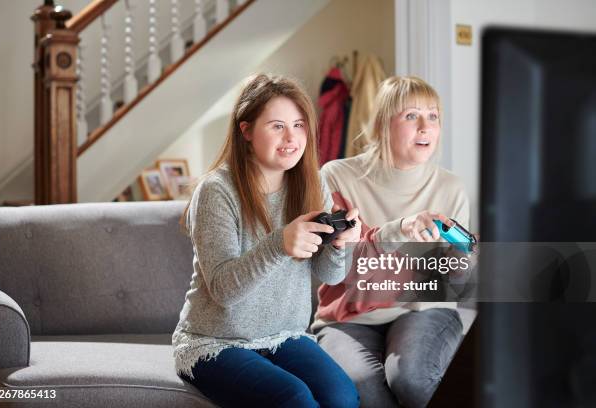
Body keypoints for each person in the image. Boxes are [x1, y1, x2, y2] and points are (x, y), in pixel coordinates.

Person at [172, 74, 361, 408]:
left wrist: (339, 244)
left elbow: (331, 276)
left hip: (284, 336)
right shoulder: (217, 191)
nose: (291, 138)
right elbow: (223, 290)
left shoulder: (311, 182)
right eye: (277, 126)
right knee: (294, 399)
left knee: (343, 398)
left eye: (299, 125)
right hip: (214, 341)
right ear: (246, 131)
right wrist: (279, 244)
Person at [312, 76, 471, 408]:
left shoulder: (451, 188)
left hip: (422, 310)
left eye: (433, 116)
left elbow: (451, 281)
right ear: (383, 124)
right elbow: (340, 269)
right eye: (411, 115)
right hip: (349, 315)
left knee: (410, 378)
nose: (425, 126)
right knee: (363, 387)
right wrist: (401, 229)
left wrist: (461, 262)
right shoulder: (336, 176)